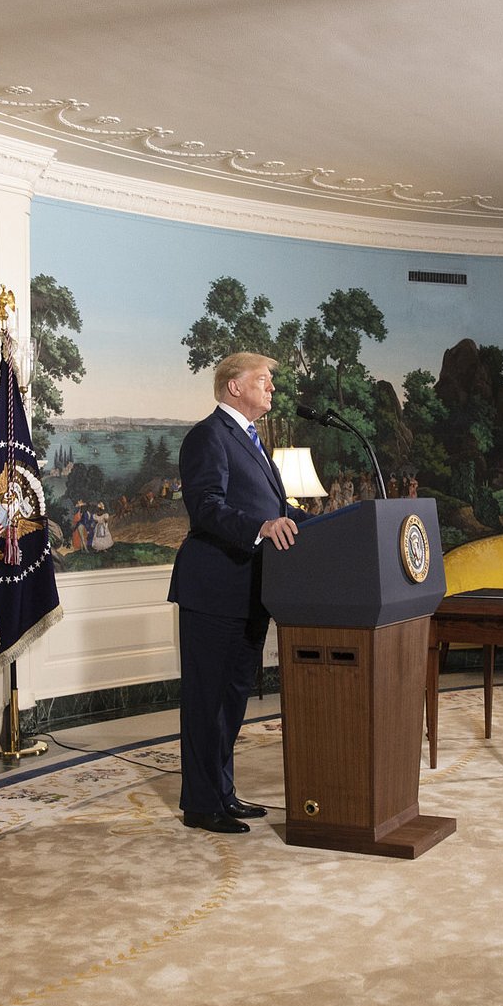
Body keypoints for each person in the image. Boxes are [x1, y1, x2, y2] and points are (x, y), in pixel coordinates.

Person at [166, 352, 307, 835]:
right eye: (263, 381)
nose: (271, 389)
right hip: (213, 588)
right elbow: (206, 507)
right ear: (233, 387)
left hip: (250, 591)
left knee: (231, 701)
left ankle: (222, 792)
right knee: (207, 701)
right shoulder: (207, 437)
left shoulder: (251, 440)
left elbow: (275, 505)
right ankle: (201, 805)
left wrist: (322, 525)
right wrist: (262, 526)